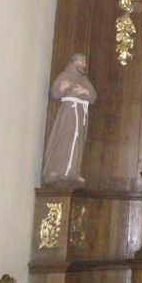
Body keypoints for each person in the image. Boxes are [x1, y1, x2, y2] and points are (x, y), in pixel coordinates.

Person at [42, 53, 97, 186]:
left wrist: (86, 92)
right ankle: (57, 169)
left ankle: (73, 171)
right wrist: (62, 88)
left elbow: (93, 96)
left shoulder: (84, 79)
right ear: (74, 62)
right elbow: (55, 93)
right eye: (82, 61)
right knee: (65, 138)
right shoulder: (64, 75)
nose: (84, 64)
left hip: (81, 113)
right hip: (69, 112)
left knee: (77, 140)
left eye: (85, 62)